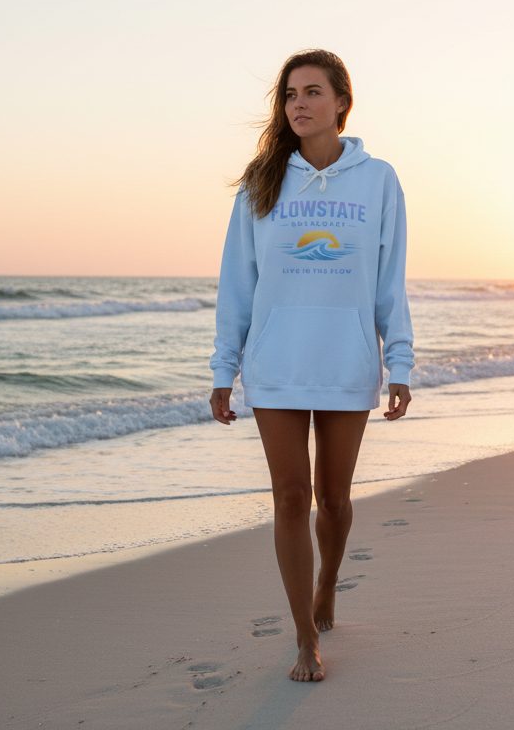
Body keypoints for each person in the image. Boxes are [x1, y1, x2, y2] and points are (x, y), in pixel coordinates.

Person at [209, 49, 414, 682]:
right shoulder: (261, 184)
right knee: (291, 497)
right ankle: (304, 637)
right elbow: (236, 284)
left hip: (347, 359)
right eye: (291, 94)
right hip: (278, 364)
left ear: (341, 103)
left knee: (335, 497)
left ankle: (328, 581)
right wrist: (225, 368)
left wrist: (399, 360)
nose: (299, 103)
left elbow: (389, 280)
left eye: (313, 92)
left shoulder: (378, 180)